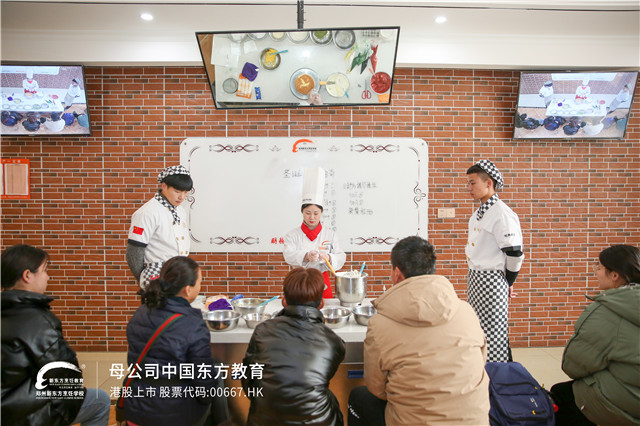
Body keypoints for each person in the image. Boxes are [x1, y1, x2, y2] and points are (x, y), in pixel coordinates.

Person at [348, 236, 489, 425]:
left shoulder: (380, 324)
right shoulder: (466, 311)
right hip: (473, 421)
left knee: (358, 396)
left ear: (397, 274)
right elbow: (481, 361)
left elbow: (376, 388)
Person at [1, 244, 111, 426]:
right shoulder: (39, 321)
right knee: (100, 399)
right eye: (44, 271)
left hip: (8, 408)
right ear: (27, 275)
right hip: (25, 415)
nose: (48, 277)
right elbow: (67, 376)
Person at [124, 256, 229, 426]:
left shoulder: (141, 312)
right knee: (216, 374)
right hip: (173, 414)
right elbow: (205, 385)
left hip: (136, 409)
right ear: (187, 289)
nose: (200, 287)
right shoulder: (192, 324)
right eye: (199, 283)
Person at [242, 267, 345, 425]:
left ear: (284, 301)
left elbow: (248, 380)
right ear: (322, 303)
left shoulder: (262, 331)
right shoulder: (333, 342)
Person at [550, 245, 640, 426]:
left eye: (599, 267)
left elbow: (573, 366)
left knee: (560, 395)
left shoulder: (606, 311)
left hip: (630, 403)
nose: (596, 272)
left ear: (614, 275)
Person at [466, 160, 524, 362]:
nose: (469, 188)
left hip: (492, 280)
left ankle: (498, 372)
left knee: (494, 332)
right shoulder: (479, 213)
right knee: (477, 329)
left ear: (488, 183)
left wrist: (508, 281)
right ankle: (480, 369)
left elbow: (514, 253)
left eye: (473, 183)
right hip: (476, 278)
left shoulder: (502, 213)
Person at [283, 167, 346, 299]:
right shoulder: (292, 235)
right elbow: (288, 255)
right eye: (308, 213)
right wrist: (306, 256)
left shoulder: (330, 234)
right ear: (302, 212)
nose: (312, 217)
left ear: (321, 213)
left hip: (322, 282)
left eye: (316, 213)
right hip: (299, 283)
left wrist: (328, 257)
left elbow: (341, 256)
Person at [127, 165, 193, 288]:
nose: (182, 197)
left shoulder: (180, 210)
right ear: (164, 186)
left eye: (185, 192)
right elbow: (134, 251)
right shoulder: (147, 212)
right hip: (157, 275)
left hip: (179, 272)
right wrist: (144, 278)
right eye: (177, 191)